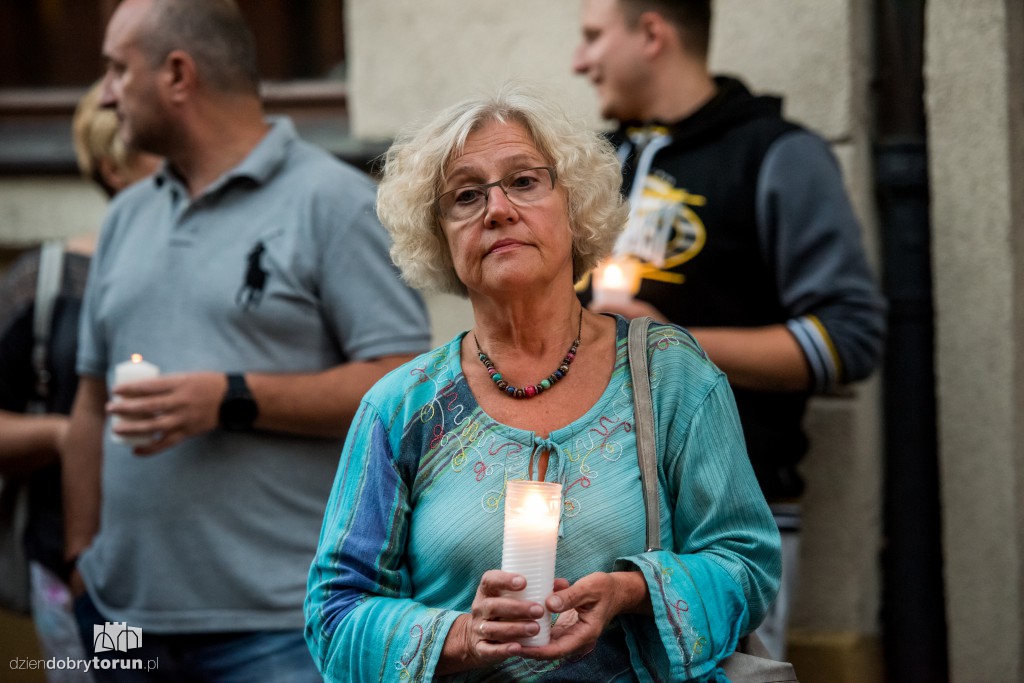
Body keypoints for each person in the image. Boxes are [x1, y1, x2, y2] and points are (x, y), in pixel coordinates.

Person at [305, 84, 781, 682]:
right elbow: (334, 612)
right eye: (466, 196)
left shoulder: (668, 374)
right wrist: (461, 636)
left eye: (525, 182)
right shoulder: (403, 408)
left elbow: (748, 562)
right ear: (441, 238)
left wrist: (632, 590)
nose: (497, 209)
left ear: (574, 206)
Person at [62, 0, 431, 679]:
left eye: (117, 69)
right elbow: (90, 400)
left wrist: (233, 397)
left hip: (280, 625)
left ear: (178, 74)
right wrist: (82, 555)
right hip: (120, 619)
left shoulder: (332, 202)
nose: (107, 93)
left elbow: (404, 384)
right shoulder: (124, 218)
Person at [571, 0, 887, 658]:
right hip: (596, 511)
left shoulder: (779, 154)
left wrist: (670, 342)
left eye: (593, 37)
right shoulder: (602, 163)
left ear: (652, 32)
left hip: (731, 521)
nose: (580, 61)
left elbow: (849, 338)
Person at [0, 81, 159, 681]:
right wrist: (67, 436)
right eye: (156, 156)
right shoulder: (44, 281)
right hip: (85, 576)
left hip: (202, 579)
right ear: (111, 167)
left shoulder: (213, 268)